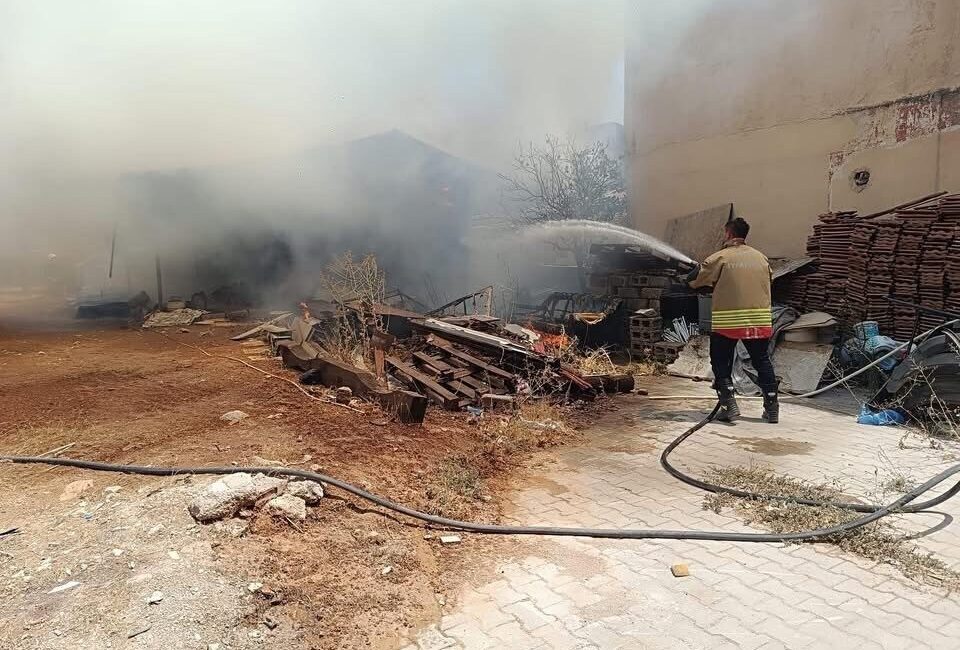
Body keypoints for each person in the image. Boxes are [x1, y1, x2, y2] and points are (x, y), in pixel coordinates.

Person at [685, 217, 779, 423]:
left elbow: (694, 280)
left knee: (720, 361)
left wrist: (689, 274)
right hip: (758, 319)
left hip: (729, 321)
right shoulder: (761, 258)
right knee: (761, 360)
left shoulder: (720, 258)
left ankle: (729, 405)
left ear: (728, 233)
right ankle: (772, 408)